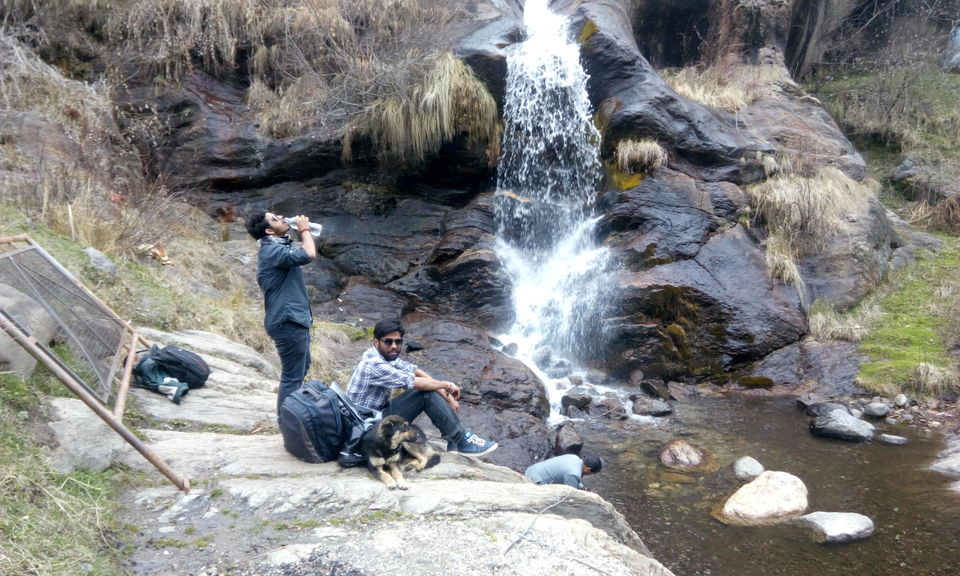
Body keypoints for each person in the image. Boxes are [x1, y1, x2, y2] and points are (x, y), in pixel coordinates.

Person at [346, 318, 498, 457]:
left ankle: (456, 440)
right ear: (376, 342)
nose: (394, 346)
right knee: (424, 394)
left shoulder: (384, 356)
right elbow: (416, 383)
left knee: (427, 390)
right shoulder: (374, 364)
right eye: (388, 341)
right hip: (364, 433)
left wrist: (448, 397)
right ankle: (460, 440)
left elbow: (415, 371)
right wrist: (448, 386)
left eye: (398, 342)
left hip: (375, 419)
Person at [246, 211, 317, 417]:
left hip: (291, 320)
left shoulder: (275, 247)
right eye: (275, 219)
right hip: (288, 321)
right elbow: (308, 254)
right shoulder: (270, 250)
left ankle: (292, 416)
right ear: (269, 231)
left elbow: (299, 250)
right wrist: (304, 229)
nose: (281, 217)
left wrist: (299, 231)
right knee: (292, 376)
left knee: (302, 367)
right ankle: (287, 422)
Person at [524, 453, 602, 489]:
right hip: (535, 481)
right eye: (592, 473)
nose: (591, 475)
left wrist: (582, 488)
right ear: (588, 469)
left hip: (532, 470)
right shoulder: (574, 474)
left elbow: (575, 479)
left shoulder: (574, 457)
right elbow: (570, 494)